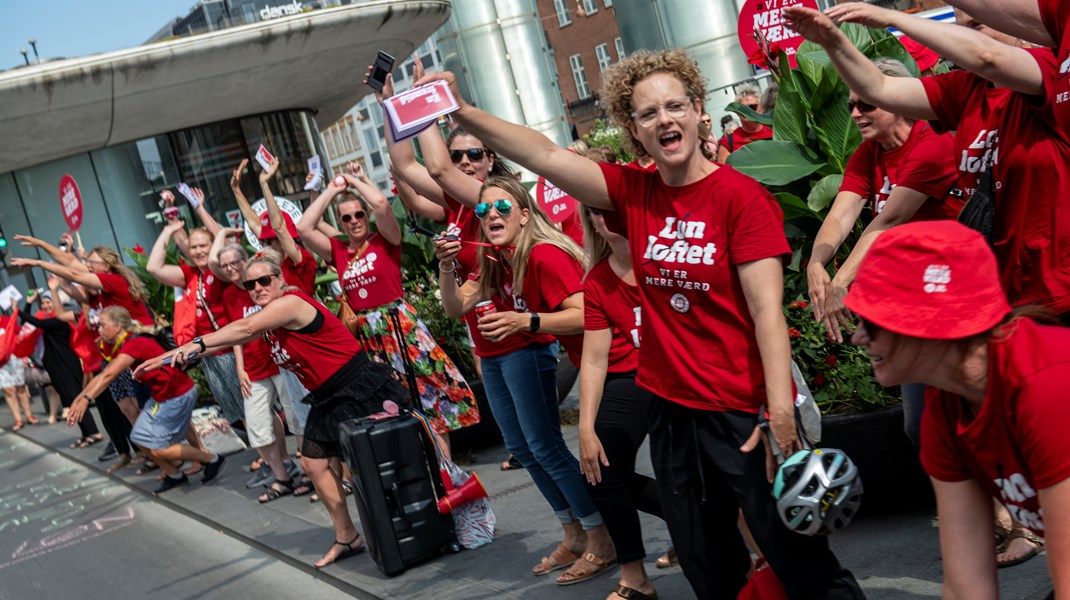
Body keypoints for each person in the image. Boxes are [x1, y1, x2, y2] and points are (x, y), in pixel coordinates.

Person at [416, 48, 864, 599]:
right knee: (707, 562)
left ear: (700, 111)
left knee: (798, 557)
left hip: (741, 413)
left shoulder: (740, 198)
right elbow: (544, 154)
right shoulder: (633, 192)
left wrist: (777, 414)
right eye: (648, 114)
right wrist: (459, 110)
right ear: (634, 129)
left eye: (675, 106)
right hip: (672, 412)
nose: (664, 120)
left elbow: (766, 312)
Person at [784, 0, 1070, 568]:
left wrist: (887, 17)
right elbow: (883, 90)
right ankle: (1015, 520)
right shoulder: (967, 96)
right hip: (1008, 305)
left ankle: (1033, 528)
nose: (966, 40)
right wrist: (835, 40)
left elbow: (886, 219)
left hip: (1058, 297)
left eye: (976, 25)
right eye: (959, 28)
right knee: (947, 429)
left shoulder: (1044, 76)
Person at [844, 220, 1068, 599]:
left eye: (870, 321)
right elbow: (967, 587)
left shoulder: (1048, 384)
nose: (857, 336)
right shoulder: (946, 405)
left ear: (926, 320)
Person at [137, 253, 405, 568]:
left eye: (265, 280)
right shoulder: (271, 319)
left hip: (354, 387)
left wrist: (191, 345)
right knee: (315, 465)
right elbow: (238, 336)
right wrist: (173, 353)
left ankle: (405, 524)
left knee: (378, 466)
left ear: (279, 279)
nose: (258, 288)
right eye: (250, 284)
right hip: (328, 396)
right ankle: (348, 537)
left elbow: (246, 326)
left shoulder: (291, 302)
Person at [434, 176, 618, 586]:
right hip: (495, 357)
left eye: (502, 207)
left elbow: (587, 312)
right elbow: (454, 306)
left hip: (528, 352)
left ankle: (600, 537)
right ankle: (573, 533)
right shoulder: (495, 257)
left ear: (524, 212)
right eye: (483, 211)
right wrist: (446, 265)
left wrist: (526, 321)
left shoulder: (542, 255)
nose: (491, 215)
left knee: (546, 448)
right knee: (522, 448)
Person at [804, 57, 960, 446]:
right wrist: (815, 263)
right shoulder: (870, 152)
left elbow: (888, 222)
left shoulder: (933, 143)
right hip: (912, 301)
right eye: (851, 105)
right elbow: (842, 213)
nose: (855, 114)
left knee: (957, 412)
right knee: (921, 424)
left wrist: (841, 281)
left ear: (898, 99)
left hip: (953, 294)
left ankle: (997, 502)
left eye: (866, 104)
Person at [297, 165, 478, 460]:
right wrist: (332, 189)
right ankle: (419, 467)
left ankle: (446, 468)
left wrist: (356, 180)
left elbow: (381, 203)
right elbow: (304, 227)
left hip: (399, 325)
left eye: (359, 214)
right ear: (341, 223)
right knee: (392, 402)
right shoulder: (339, 252)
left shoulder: (385, 240)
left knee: (426, 392)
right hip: (369, 336)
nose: (354, 221)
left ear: (366, 216)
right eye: (347, 218)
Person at [577, 205, 664, 600]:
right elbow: (594, 359)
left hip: (683, 371)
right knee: (599, 468)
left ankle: (700, 524)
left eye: (609, 207)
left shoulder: (667, 255)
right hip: (633, 377)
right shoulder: (597, 280)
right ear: (591, 221)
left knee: (693, 473)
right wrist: (585, 428)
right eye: (594, 211)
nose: (604, 217)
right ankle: (635, 578)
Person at [67, 306, 224, 494]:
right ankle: (174, 474)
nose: (98, 328)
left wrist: (85, 399)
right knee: (139, 438)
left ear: (118, 326)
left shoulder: (134, 344)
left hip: (178, 395)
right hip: (162, 396)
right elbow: (105, 372)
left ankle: (212, 459)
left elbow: (109, 374)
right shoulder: (119, 343)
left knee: (158, 448)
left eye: (102, 324)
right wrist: (79, 399)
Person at [209, 235, 301, 502]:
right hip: (253, 368)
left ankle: (307, 472)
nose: (229, 269)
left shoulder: (269, 285)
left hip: (280, 362)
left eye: (233, 263)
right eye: (224, 266)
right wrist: (240, 369)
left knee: (296, 420)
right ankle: (281, 475)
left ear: (245, 260)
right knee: (258, 428)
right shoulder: (230, 294)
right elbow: (239, 331)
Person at [147, 218, 246, 427]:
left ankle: (275, 452)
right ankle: (263, 452)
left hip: (232, 349)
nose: (198, 251)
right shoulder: (190, 275)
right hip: (208, 353)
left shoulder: (221, 271)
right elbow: (153, 267)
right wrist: (168, 231)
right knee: (236, 411)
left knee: (251, 406)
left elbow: (221, 252)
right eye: (193, 247)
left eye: (203, 245)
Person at [19, 279, 103, 448]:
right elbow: (26, 325)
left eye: (48, 302)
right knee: (69, 400)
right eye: (42, 303)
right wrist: (27, 305)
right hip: (54, 366)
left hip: (67, 364)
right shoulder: (44, 319)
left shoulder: (59, 320)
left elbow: (38, 323)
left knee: (76, 398)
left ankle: (94, 432)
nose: (45, 305)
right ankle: (86, 433)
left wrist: (17, 310)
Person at [716, 84, 772, 163]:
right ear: (737, 112)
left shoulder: (774, 133)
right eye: (743, 108)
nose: (748, 111)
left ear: (761, 108)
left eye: (753, 107)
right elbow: (723, 173)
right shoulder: (728, 143)